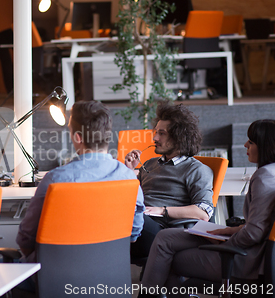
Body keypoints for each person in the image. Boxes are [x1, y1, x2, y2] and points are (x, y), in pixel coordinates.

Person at [139, 119, 275, 296]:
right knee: (165, 238)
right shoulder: (271, 172)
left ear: (265, 146)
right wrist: (230, 230)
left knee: (165, 257)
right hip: (248, 248)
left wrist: (225, 243)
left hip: (244, 259)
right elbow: (261, 224)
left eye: (251, 141)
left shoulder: (264, 177)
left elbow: (254, 232)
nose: (245, 144)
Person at [16, 100, 145, 263]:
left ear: (77, 137)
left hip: (55, 276)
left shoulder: (55, 180)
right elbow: (133, 235)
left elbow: (25, 239)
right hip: (109, 275)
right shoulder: (129, 179)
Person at [125, 102, 214, 258]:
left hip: (161, 230)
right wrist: (129, 170)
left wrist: (163, 210)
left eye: (161, 133)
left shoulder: (197, 169)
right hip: (139, 222)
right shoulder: (149, 164)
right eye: (156, 132)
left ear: (179, 137)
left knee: (130, 216)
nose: (155, 138)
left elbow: (203, 212)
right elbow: (128, 193)